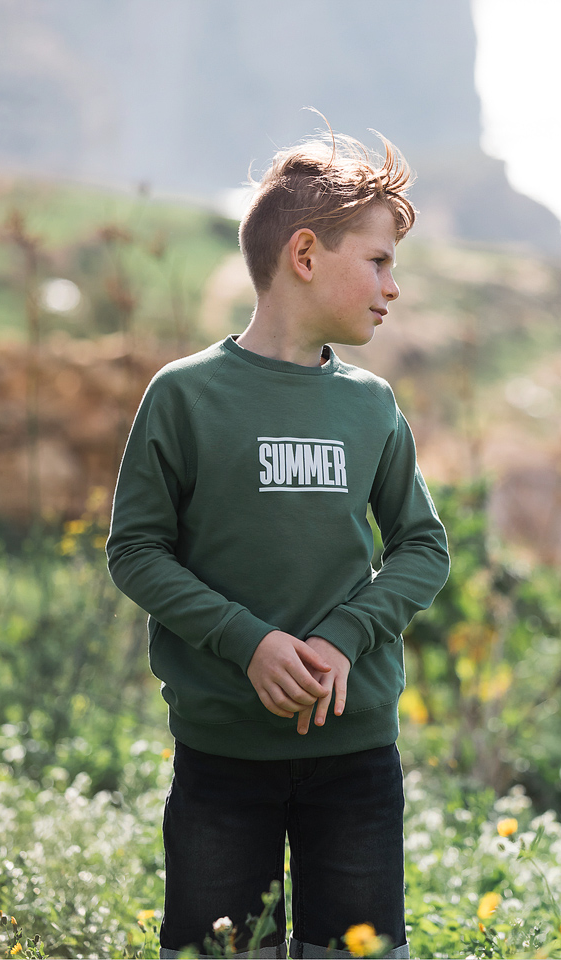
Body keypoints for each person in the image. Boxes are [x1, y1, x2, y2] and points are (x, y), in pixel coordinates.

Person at [106, 125, 450, 959]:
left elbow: (422, 547)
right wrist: (249, 643)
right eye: (378, 261)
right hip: (222, 755)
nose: (393, 286)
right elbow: (137, 550)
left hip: (357, 756)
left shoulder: (371, 405)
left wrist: (343, 637)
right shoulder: (185, 395)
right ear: (304, 254)